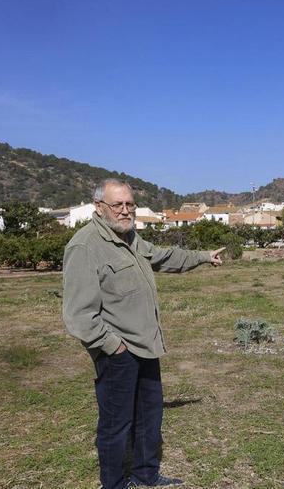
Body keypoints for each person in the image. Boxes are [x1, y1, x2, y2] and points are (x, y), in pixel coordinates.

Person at [62, 179, 224, 488]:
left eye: (130, 204)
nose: (125, 211)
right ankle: (113, 484)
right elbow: (78, 315)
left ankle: (145, 475)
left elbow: (164, 256)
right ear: (99, 207)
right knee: (116, 424)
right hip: (117, 352)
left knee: (150, 416)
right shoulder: (85, 246)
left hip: (147, 345)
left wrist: (203, 256)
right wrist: (113, 346)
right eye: (117, 205)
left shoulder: (131, 238)